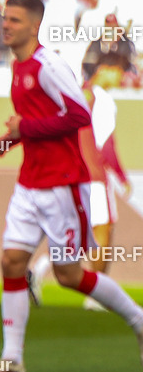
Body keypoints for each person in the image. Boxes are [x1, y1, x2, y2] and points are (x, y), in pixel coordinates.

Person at [0, 0, 143, 372]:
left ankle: (138, 320)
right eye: (5, 18)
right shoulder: (17, 68)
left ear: (34, 26)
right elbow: (37, 120)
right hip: (29, 183)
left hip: (62, 186)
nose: (6, 26)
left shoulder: (49, 66)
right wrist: (13, 139)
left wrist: (25, 129)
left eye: (14, 20)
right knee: (11, 262)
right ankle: (12, 356)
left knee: (68, 275)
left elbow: (79, 115)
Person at [28, 53, 133, 309]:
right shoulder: (103, 99)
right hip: (94, 176)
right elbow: (105, 145)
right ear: (106, 69)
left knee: (78, 236)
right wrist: (120, 176)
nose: (122, 78)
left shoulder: (77, 94)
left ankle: (40, 269)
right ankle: (95, 296)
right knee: (102, 233)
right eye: (119, 72)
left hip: (71, 173)